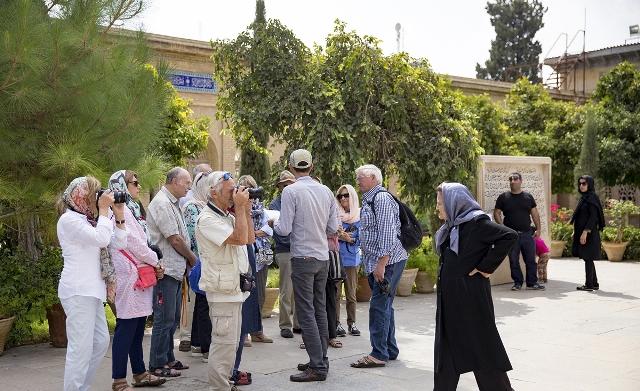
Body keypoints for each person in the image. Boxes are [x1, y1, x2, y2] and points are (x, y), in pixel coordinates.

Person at [433, 182, 517, 391]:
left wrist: (485, 267)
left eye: (440, 203)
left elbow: (509, 235)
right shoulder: (451, 228)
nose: (437, 208)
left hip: (471, 300)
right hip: (450, 301)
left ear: (454, 203)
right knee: (446, 355)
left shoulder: (477, 224)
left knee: (484, 352)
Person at [273, 149, 339, 382]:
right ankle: (320, 359)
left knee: (306, 312)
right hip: (322, 258)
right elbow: (333, 228)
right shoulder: (326, 191)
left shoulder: (291, 191)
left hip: (302, 258)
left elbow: (284, 229)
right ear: (311, 167)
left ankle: (318, 366)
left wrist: (272, 221)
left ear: (291, 168)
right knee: (318, 309)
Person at [56, 176, 127, 391]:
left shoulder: (91, 220)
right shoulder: (68, 221)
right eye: (94, 195)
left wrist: (120, 216)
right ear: (80, 196)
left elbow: (119, 242)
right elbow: (101, 239)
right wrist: (105, 211)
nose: (97, 200)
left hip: (92, 292)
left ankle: (81, 387)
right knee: (80, 349)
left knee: (100, 342)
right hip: (78, 290)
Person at [196, 171, 255, 391]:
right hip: (222, 292)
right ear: (214, 193)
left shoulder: (224, 215)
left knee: (231, 346)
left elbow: (248, 238)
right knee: (222, 347)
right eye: (231, 191)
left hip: (233, 290)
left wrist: (246, 210)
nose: (235, 194)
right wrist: (239, 207)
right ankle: (218, 387)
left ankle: (225, 384)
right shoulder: (207, 219)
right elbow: (239, 238)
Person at [107, 170, 166, 390]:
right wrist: (154, 259)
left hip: (138, 274)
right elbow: (135, 243)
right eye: (134, 182)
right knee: (127, 327)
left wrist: (152, 261)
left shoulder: (129, 210)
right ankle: (119, 378)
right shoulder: (117, 210)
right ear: (121, 185)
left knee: (138, 326)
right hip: (129, 276)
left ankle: (140, 372)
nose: (139, 186)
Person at [350, 164, 407, 369]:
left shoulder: (381, 199)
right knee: (385, 306)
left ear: (373, 178)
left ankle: (378, 353)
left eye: (361, 177)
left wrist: (381, 264)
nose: (358, 180)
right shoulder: (371, 199)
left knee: (378, 306)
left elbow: (387, 233)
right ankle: (389, 350)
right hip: (381, 261)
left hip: (387, 262)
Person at [147, 167, 197, 377]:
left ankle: (168, 358)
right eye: (186, 182)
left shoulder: (172, 203)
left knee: (172, 318)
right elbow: (174, 239)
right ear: (174, 181)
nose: (189, 187)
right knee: (164, 319)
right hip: (165, 270)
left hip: (175, 270)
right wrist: (193, 259)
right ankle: (157, 364)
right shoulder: (161, 203)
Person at [179, 163, 212, 353]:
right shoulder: (192, 207)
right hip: (197, 262)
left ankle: (197, 342)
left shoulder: (205, 206)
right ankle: (189, 338)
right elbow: (194, 237)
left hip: (207, 262)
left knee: (201, 303)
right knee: (194, 303)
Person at [493, 172, 545, 291]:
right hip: (511, 235)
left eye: (515, 179)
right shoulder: (503, 197)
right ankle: (517, 283)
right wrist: (503, 228)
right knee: (513, 260)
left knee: (531, 260)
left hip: (527, 234)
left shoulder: (528, 197)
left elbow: (535, 213)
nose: (512, 181)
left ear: (521, 181)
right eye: (510, 179)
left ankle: (532, 283)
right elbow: (496, 212)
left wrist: (539, 229)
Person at [237, 175, 273, 344]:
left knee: (260, 293)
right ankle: (244, 332)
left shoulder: (261, 209)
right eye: (244, 188)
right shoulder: (236, 207)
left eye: (250, 188)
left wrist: (257, 232)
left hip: (262, 253)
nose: (249, 192)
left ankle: (258, 330)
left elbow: (269, 230)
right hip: (244, 252)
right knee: (245, 292)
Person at [269, 170, 299, 338]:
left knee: (300, 290)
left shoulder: (299, 200)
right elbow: (280, 232)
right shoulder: (275, 204)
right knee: (286, 290)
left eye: (291, 184)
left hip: (300, 249)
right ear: (280, 187)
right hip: (285, 250)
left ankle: (298, 324)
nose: (288, 187)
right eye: (285, 185)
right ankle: (285, 325)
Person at [335, 184, 361, 337]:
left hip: (352, 260)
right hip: (337, 259)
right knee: (336, 295)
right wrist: (341, 236)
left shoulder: (359, 215)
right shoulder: (334, 215)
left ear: (352, 196)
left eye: (346, 195)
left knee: (351, 295)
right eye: (340, 196)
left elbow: (361, 239)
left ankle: (352, 323)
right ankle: (336, 324)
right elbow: (331, 233)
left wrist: (347, 238)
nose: (343, 198)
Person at [571, 175, 605, 292]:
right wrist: (576, 231)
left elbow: (593, 217)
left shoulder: (592, 197)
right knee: (588, 258)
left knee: (588, 257)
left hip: (589, 232)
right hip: (583, 231)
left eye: (584, 183)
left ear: (589, 184)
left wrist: (585, 232)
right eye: (580, 183)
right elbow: (580, 216)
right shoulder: (585, 197)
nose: (581, 186)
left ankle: (589, 285)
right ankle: (594, 283)